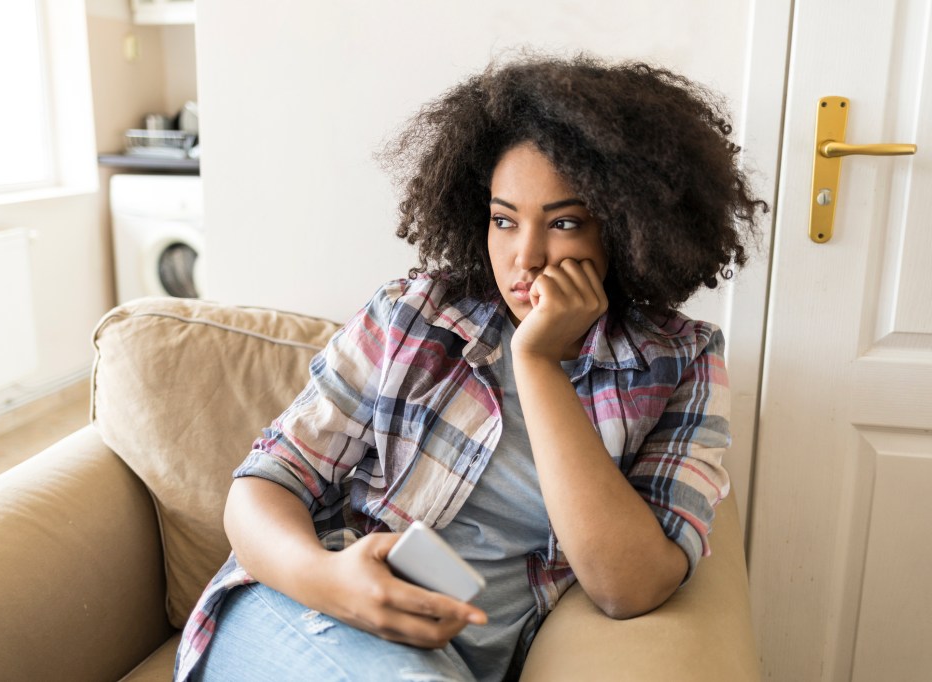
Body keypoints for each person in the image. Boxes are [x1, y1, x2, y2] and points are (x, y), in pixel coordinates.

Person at [175, 53, 766, 682]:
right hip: (298, 608)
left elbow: (630, 586)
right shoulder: (416, 314)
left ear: (625, 230)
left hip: (441, 661)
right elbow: (263, 482)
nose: (526, 256)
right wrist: (329, 581)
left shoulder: (681, 362)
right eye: (504, 220)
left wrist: (536, 361)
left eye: (563, 223)